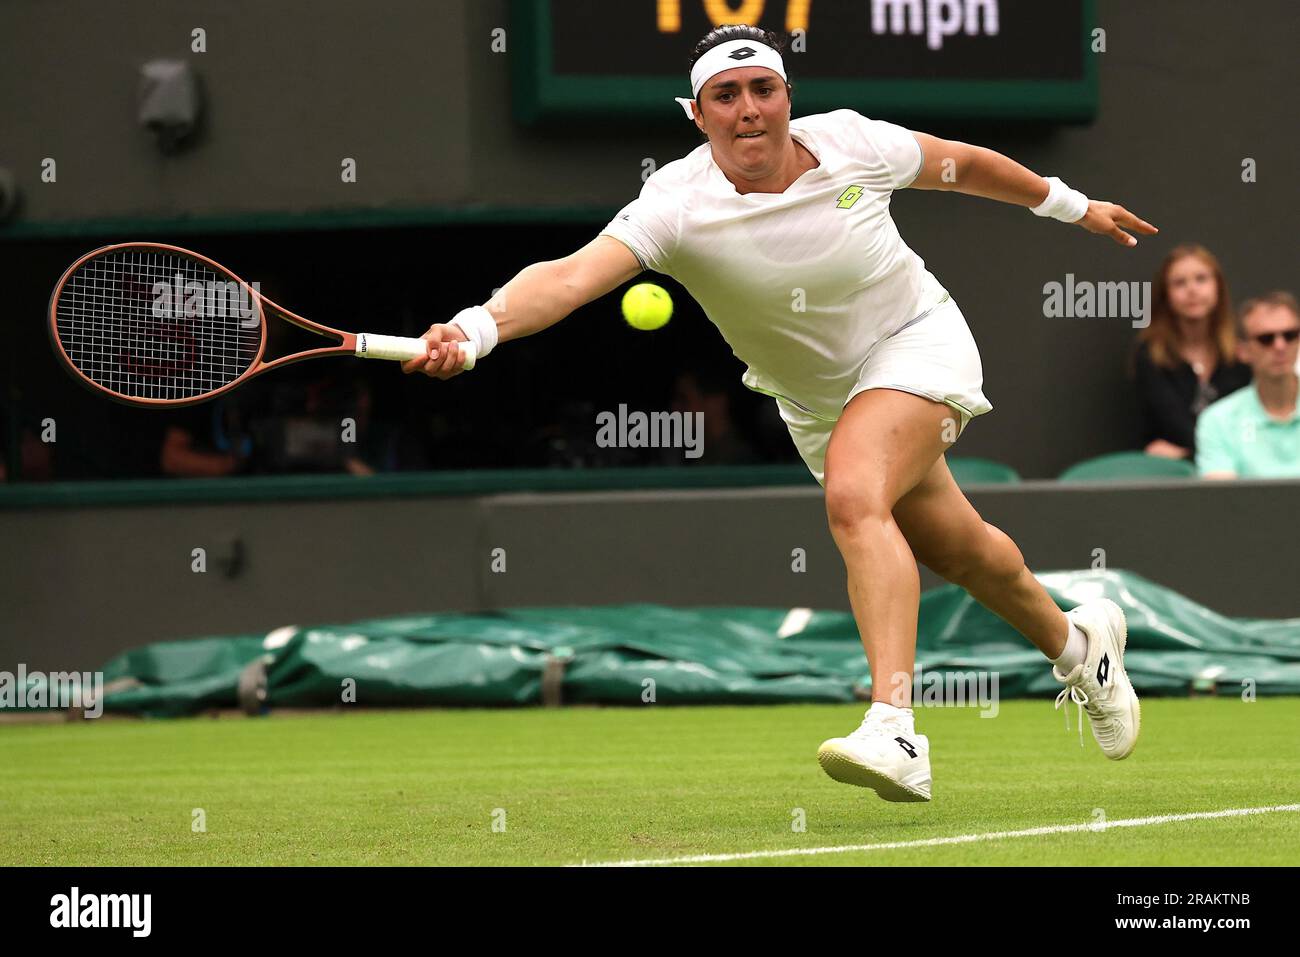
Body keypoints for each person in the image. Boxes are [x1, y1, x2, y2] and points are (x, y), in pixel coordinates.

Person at [404, 25, 1156, 803]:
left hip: (916, 343)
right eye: (725, 96)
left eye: (763, 89)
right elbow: (568, 278)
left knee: (854, 496)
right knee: (962, 552)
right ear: (697, 115)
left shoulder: (855, 143)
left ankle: (896, 727)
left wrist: (1072, 206)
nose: (748, 110)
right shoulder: (674, 203)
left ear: (788, 98)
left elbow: (964, 166)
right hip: (818, 403)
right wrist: (477, 328)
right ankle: (1080, 646)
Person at [1133, 245, 1251, 460]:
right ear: (1165, 295)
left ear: (1218, 288)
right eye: (1179, 283)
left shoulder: (1241, 355)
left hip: (1234, 471)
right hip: (1171, 475)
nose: (1192, 290)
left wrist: (1187, 453)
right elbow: (1173, 423)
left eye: (1201, 279)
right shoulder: (1151, 356)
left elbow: (1248, 428)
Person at [1196, 292, 1300, 479]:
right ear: (1243, 351)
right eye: (1266, 339)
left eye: (1290, 335)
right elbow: (1224, 501)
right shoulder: (1218, 421)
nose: (1280, 346)